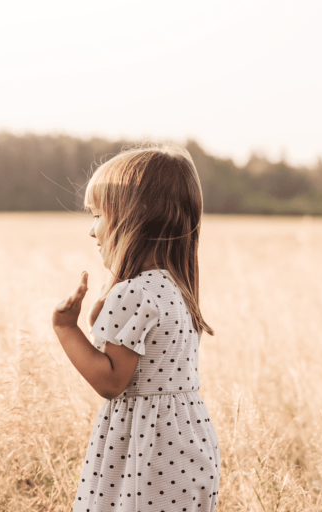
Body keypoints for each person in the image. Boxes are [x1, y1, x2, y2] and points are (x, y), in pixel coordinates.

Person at [52, 144, 220, 511]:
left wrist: (66, 327)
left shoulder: (132, 292)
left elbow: (111, 382)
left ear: (135, 218)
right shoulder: (177, 288)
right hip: (190, 438)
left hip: (146, 447)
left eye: (98, 215)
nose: (92, 231)